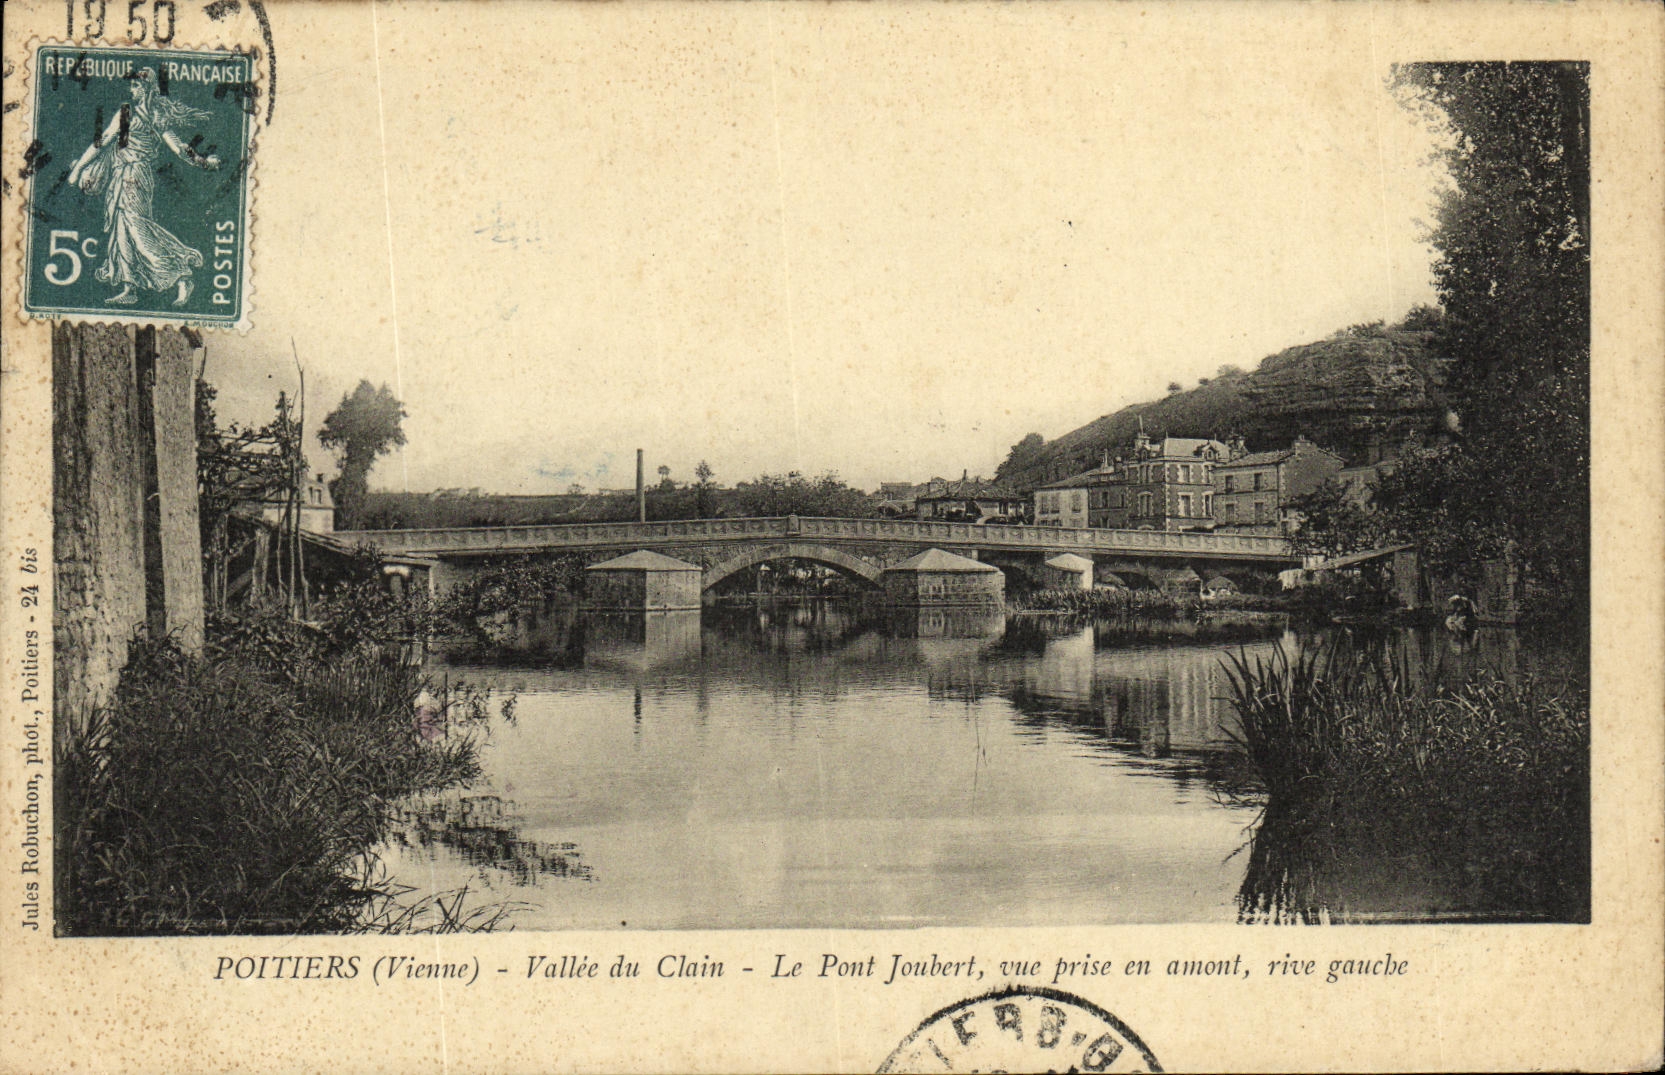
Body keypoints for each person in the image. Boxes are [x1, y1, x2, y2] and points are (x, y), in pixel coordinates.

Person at [65, 68, 221, 306]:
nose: (132, 90)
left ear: (149, 88)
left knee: (138, 229)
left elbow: (178, 147)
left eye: (137, 86)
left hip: (137, 176)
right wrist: (79, 169)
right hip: (120, 175)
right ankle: (129, 288)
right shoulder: (126, 112)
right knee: (122, 231)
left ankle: (181, 275)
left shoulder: (156, 114)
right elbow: (105, 140)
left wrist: (204, 163)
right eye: (132, 86)